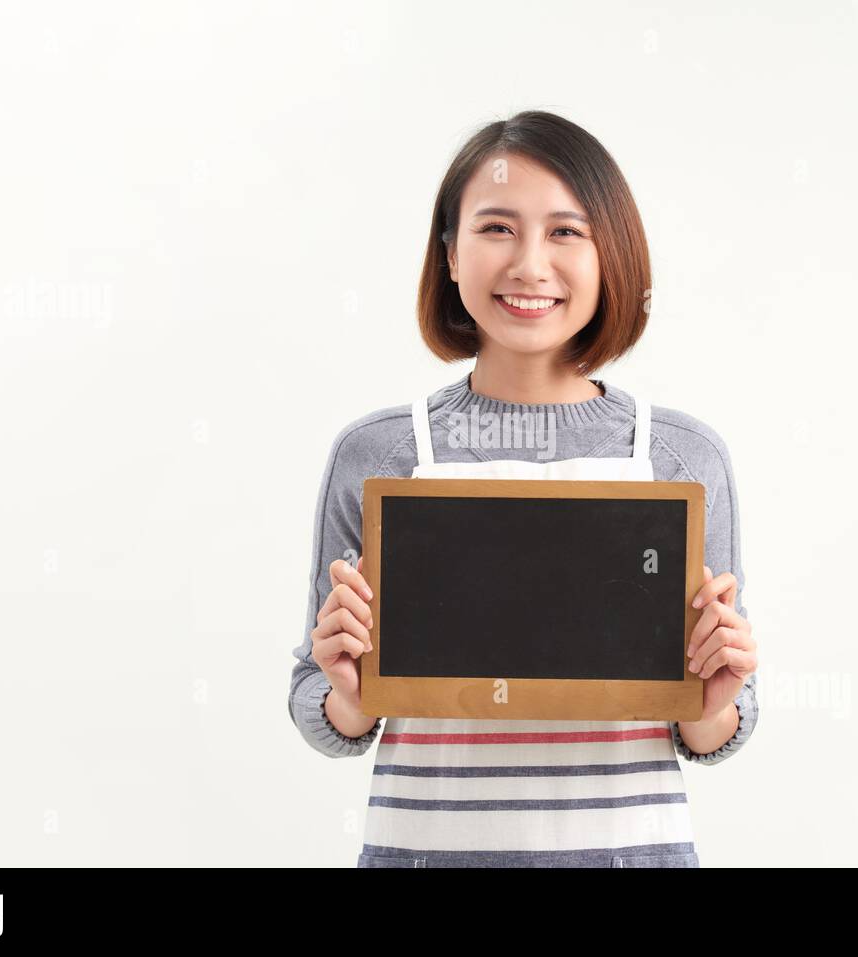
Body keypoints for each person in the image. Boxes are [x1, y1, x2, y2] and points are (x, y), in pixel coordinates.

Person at [289, 110, 759, 867]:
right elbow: (324, 703)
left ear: (613, 257)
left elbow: (712, 727)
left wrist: (713, 700)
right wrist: (349, 689)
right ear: (448, 254)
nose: (530, 264)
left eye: (566, 232)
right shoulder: (380, 452)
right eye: (497, 228)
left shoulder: (678, 455)